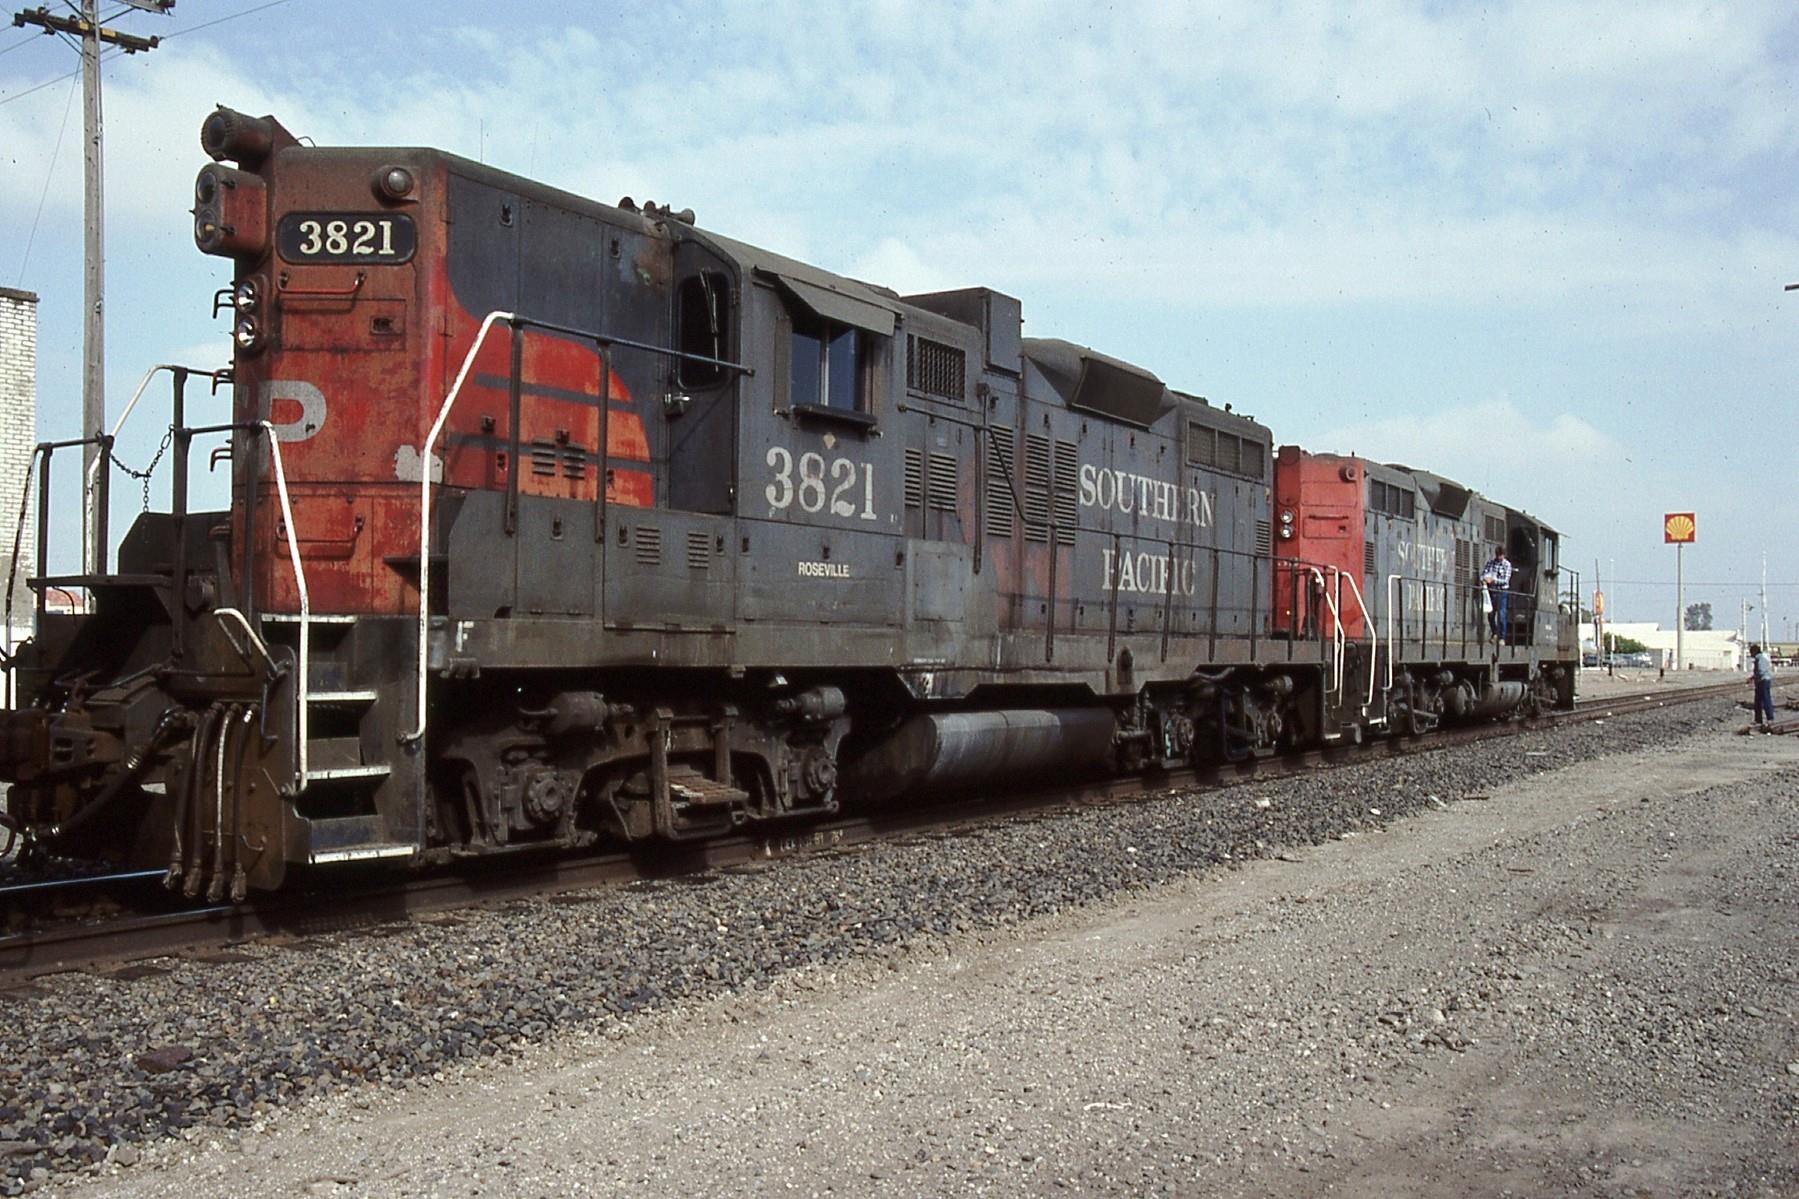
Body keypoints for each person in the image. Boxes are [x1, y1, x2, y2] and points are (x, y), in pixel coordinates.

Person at [1479, 546, 1513, 644]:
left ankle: (1502, 637)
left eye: (1501, 555)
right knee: (1490, 615)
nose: (1499, 557)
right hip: (1491, 592)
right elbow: (1483, 575)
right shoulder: (1490, 563)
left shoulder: (1507, 565)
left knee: (1502, 615)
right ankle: (1495, 633)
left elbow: (1505, 580)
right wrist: (1484, 579)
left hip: (1502, 592)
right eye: (1498, 555)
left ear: (1504, 555)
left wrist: (1493, 580)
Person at [1750, 643, 1775, 729]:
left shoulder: (1760, 659)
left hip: (1763, 681)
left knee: (1765, 700)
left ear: (1754, 652)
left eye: (1751, 653)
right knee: (1758, 701)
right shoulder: (1761, 658)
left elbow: (1761, 671)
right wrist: (1753, 678)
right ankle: (1758, 720)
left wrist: (1754, 677)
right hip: (1761, 681)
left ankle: (1769, 718)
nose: (1751, 655)